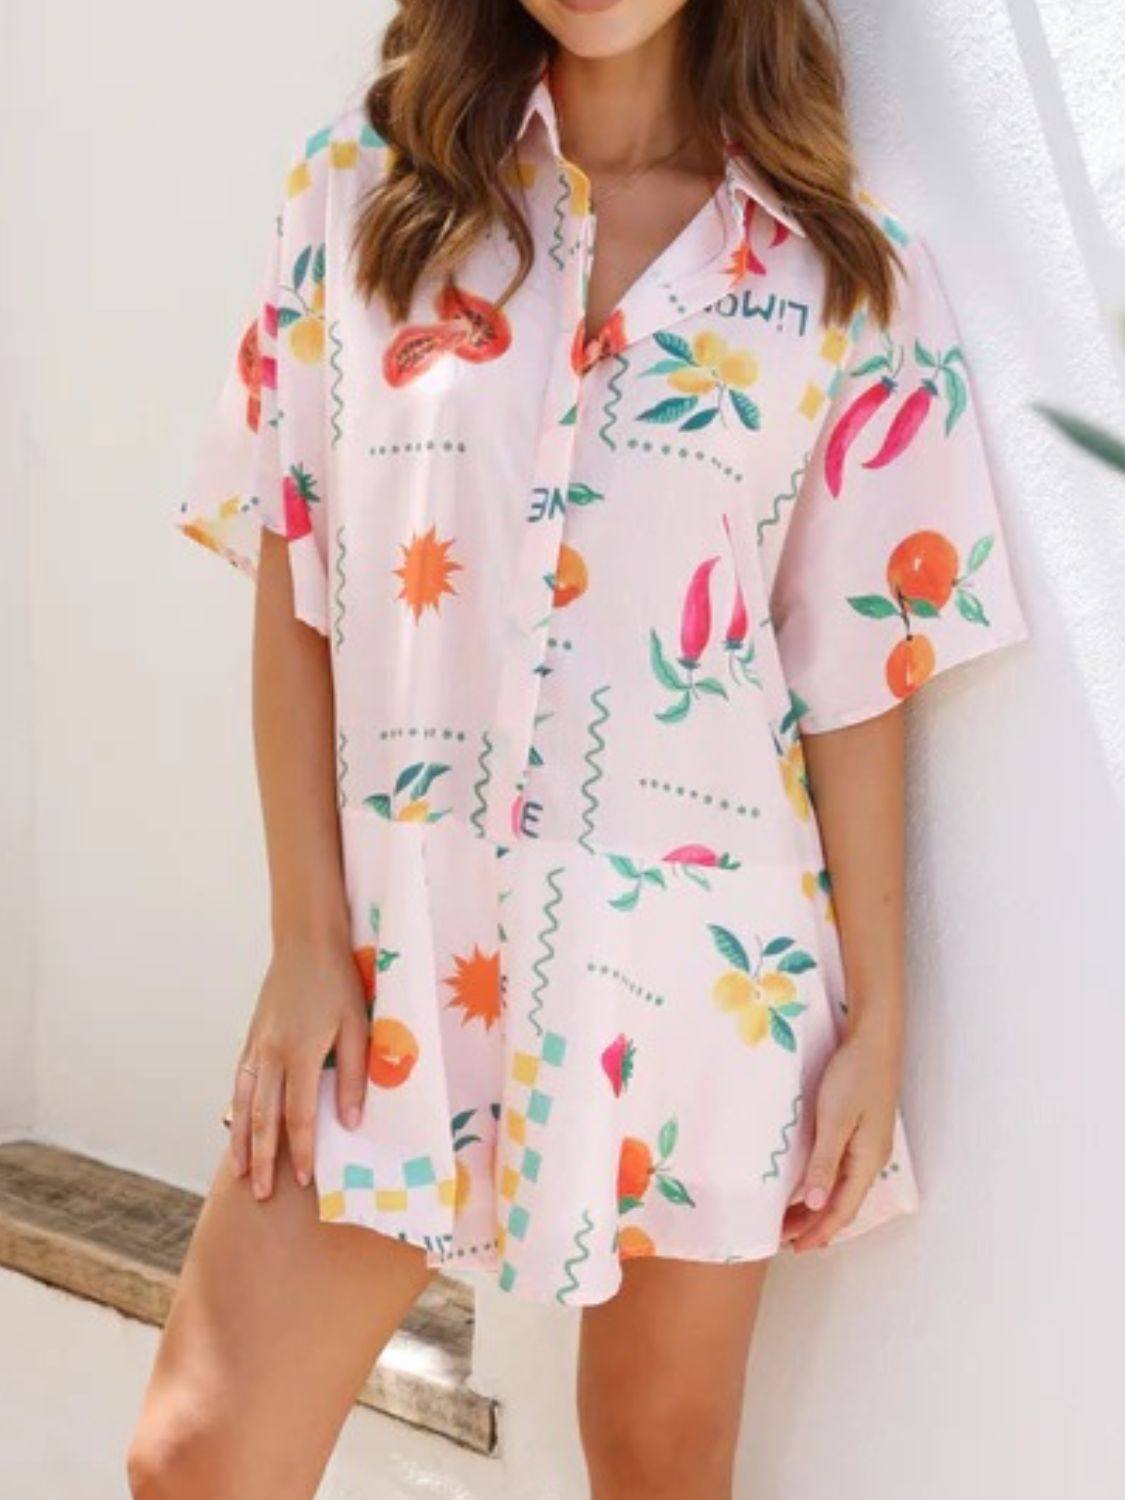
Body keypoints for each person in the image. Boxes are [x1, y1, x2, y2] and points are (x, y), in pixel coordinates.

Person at [129, 1, 1031, 1495]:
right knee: (199, 1454)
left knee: (658, 1458)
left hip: (699, 965)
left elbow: (855, 675)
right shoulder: (360, 193)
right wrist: (304, 939)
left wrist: (878, 1018)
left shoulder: (842, 271)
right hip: (398, 960)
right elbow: (299, 582)